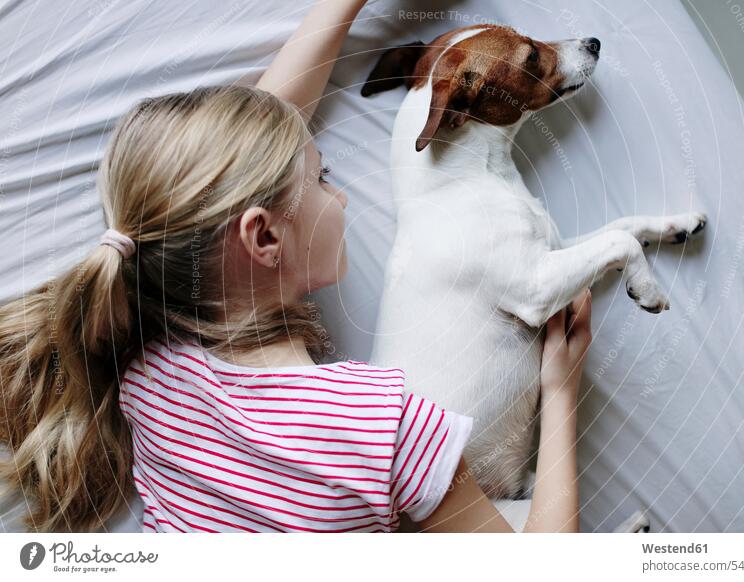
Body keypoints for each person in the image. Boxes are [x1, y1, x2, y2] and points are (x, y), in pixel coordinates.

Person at [0, 0, 592, 533]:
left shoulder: (154, 362)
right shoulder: (379, 426)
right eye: (322, 179)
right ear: (262, 234)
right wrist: (561, 389)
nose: (341, 197)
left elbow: (231, 160)